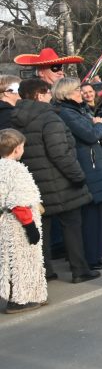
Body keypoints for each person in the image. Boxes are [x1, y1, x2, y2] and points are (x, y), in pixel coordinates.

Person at [11, 79, 96, 281]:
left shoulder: (15, 119)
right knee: (72, 227)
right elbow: (60, 153)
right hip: (61, 181)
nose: (50, 95)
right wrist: (78, 176)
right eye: (47, 92)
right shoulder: (49, 118)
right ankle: (79, 270)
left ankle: (45, 271)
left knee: (43, 230)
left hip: (35, 183)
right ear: (39, 95)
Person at [53, 77, 102, 271]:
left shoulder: (77, 110)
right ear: (66, 94)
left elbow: (99, 126)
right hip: (86, 165)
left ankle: (96, 255)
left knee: (96, 212)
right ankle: (90, 257)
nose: (81, 93)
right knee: (89, 214)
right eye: (76, 91)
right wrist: (97, 125)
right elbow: (90, 134)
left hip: (92, 164)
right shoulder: (66, 112)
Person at [0, 129, 47, 314]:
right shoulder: (16, 170)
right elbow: (19, 202)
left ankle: (22, 294)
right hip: (17, 224)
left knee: (8, 260)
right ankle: (20, 299)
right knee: (23, 261)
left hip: (4, 221)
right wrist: (30, 226)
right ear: (17, 149)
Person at [14, 47, 83, 88]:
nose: (61, 72)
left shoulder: (65, 91)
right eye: (55, 68)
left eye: (61, 68)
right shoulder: (35, 94)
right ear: (41, 73)